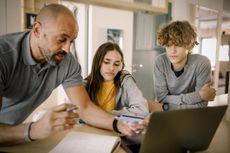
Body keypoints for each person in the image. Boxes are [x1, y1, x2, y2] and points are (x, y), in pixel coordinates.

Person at [0, 4, 147, 146]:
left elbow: (84, 107)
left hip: (15, 134)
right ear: (37, 30)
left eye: (71, 41)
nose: (67, 49)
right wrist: (34, 129)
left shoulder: (67, 62)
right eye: (61, 39)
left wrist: (117, 124)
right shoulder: (4, 56)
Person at [153, 20, 216, 110]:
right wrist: (199, 96)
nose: (172, 51)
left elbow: (201, 106)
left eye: (178, 45)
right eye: (168, 45)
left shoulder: (202, 63)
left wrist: (166, 106)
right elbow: (161, 99)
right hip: (165, 117)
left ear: (189, 46)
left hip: (193, 117)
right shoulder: (160, 62)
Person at [84, 42, 149, 116]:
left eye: (116, 64)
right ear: (97, 62)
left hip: (118, 126)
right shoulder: (85, 84)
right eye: (106, 62)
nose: (112, 68)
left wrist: (108, 114)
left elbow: (142, 109)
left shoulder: (126, 81)